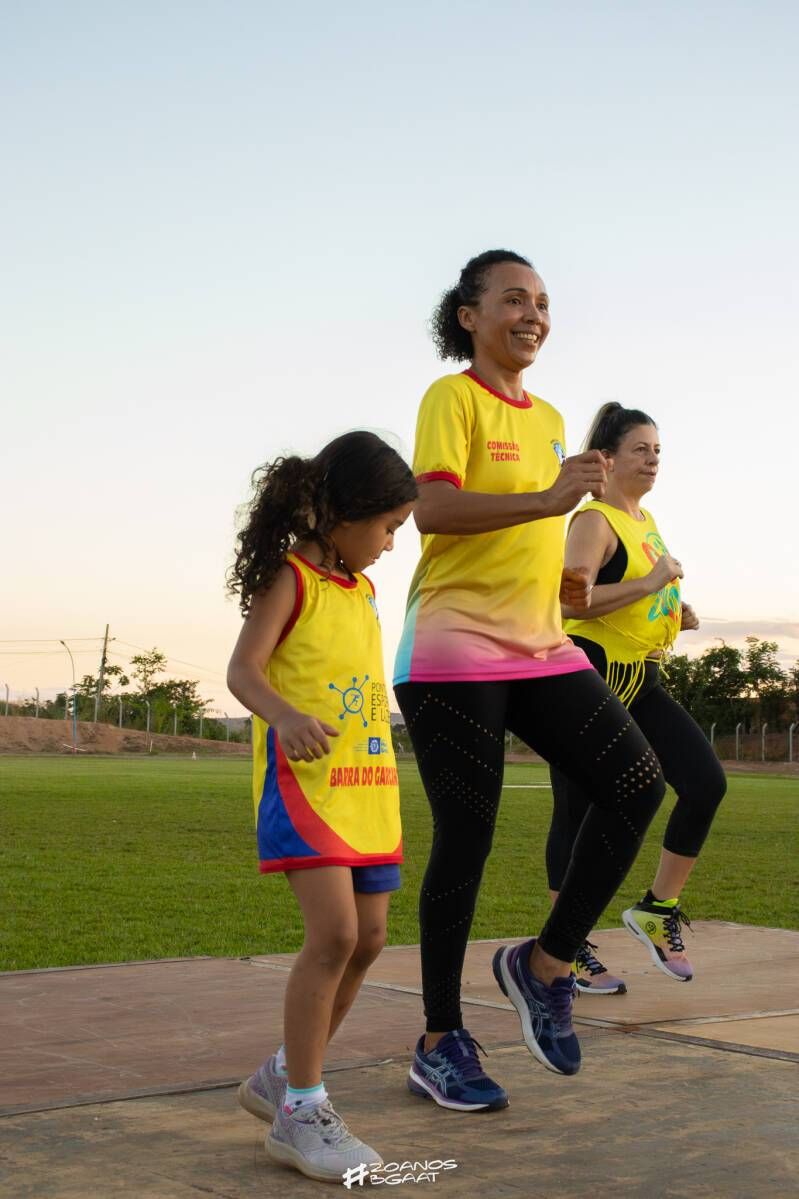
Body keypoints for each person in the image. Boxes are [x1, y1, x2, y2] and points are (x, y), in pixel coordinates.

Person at [393, 249, 667, 1112]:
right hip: (452, 644)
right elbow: (430, 510)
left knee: (635, 783)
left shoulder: (551, 418)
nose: (533, 314)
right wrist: (548, 500)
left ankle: (542, 963)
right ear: (469, 315)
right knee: (466, 837)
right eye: (513, 299)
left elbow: (535, 538)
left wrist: (574, 581)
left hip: (540, 641)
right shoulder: (453, 398)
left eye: (543, 302)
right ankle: (439, 1041)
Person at [227, 431, 416, 1182]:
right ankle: (301, 1110)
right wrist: (286, 716)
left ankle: (280, 1075)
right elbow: (243, 671)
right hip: (305, 788)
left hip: (368, 787)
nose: (390, 543)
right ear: (345, 510)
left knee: (369, 939)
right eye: (386, 527)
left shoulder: (362, 589)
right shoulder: (292, 578)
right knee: (333, 934)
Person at [546, 403, 727, 994]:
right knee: (576, 813)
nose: (652, 461)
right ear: (607, 458)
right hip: (587, 671)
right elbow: (573, 602)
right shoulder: (593, 520)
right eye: (639, 450)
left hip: (640, 676)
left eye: (657, 452)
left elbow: (638, 598)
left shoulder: (644, 521)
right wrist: (652, 583)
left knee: (704, 784)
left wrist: (673, 609)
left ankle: (657, 909)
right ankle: (563, 948)